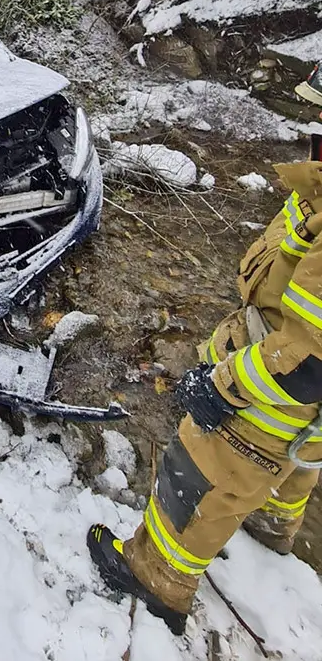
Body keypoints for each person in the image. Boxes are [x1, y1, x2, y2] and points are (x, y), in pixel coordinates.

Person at [88, 62, 322, 635]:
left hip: (269, 397)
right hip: (299, 416)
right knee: (292, 471)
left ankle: (155, 577)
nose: (314, 128)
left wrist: (221, 386)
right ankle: (271, 533)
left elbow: (310, 361)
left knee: (196, 472)